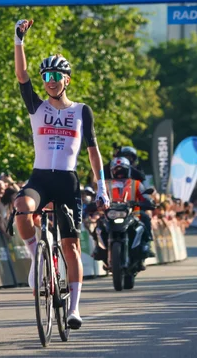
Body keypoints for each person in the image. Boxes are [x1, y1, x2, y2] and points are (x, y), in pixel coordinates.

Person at [12, 18, 110, 330]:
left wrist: (102, 188)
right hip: (40, 177)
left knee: (70, 247)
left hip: (67, 181)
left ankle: (74, 309)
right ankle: (34, 255)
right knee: (21, 208)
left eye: (56, 75)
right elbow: (21, 76)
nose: (50, 80)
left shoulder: (82, 111)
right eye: (47, 76)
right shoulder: (37, 107)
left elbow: (93, 150)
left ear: (67, 79)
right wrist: (19, 41)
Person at [104, 157, 155, 259]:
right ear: (112, 171)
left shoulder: (136, 183)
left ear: (128, 170)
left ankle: (147, 244)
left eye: (122, 169)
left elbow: (145, 197)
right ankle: (99, 248)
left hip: (133, 213)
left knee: (145, 217)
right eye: (116, 170)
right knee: (99, 226)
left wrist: (147, 202)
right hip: (111, 214)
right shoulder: (106, 184)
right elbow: (98, 197)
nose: (119, 173)